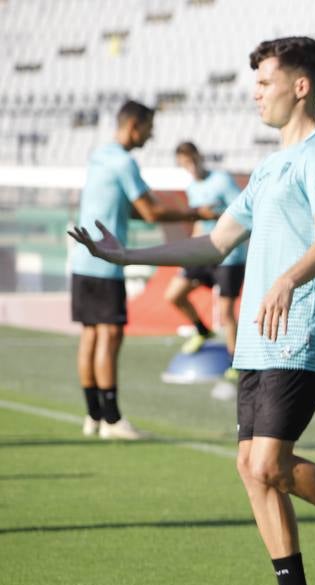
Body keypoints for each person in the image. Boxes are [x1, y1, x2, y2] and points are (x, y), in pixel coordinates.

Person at [71, 36, 315, 585]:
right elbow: (215, 241)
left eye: (265, 83)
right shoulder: (268, 167)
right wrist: (127, 257)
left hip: (301, 333)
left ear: (301, 85)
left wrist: (287, 280)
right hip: (257, 339)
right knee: (252, 467)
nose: (256, 94)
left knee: (268, 464)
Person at [70, 100, 215, 440]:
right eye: (149, 128)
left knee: (91, 333)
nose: (151, 136)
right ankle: (112, 419)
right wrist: (196, 215)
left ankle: (93, 415)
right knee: (109, 333)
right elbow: (150, 212)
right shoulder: (124, 162)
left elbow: (127, 210)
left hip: (82, 259)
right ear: (134, 126)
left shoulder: (99, 155)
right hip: (104, 261)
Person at [163, 141, 248, 371]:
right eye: (183, 165)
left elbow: (243, 212)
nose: (189, 168)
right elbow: (200, 223)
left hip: (229, 256)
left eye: (191, 162)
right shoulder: (192, 188)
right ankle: (202, 330)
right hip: (203, 254)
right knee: (174, 295)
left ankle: (235, 364)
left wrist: (217, 213)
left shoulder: (221, 180)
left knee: (226, 312)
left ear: (199, 158)